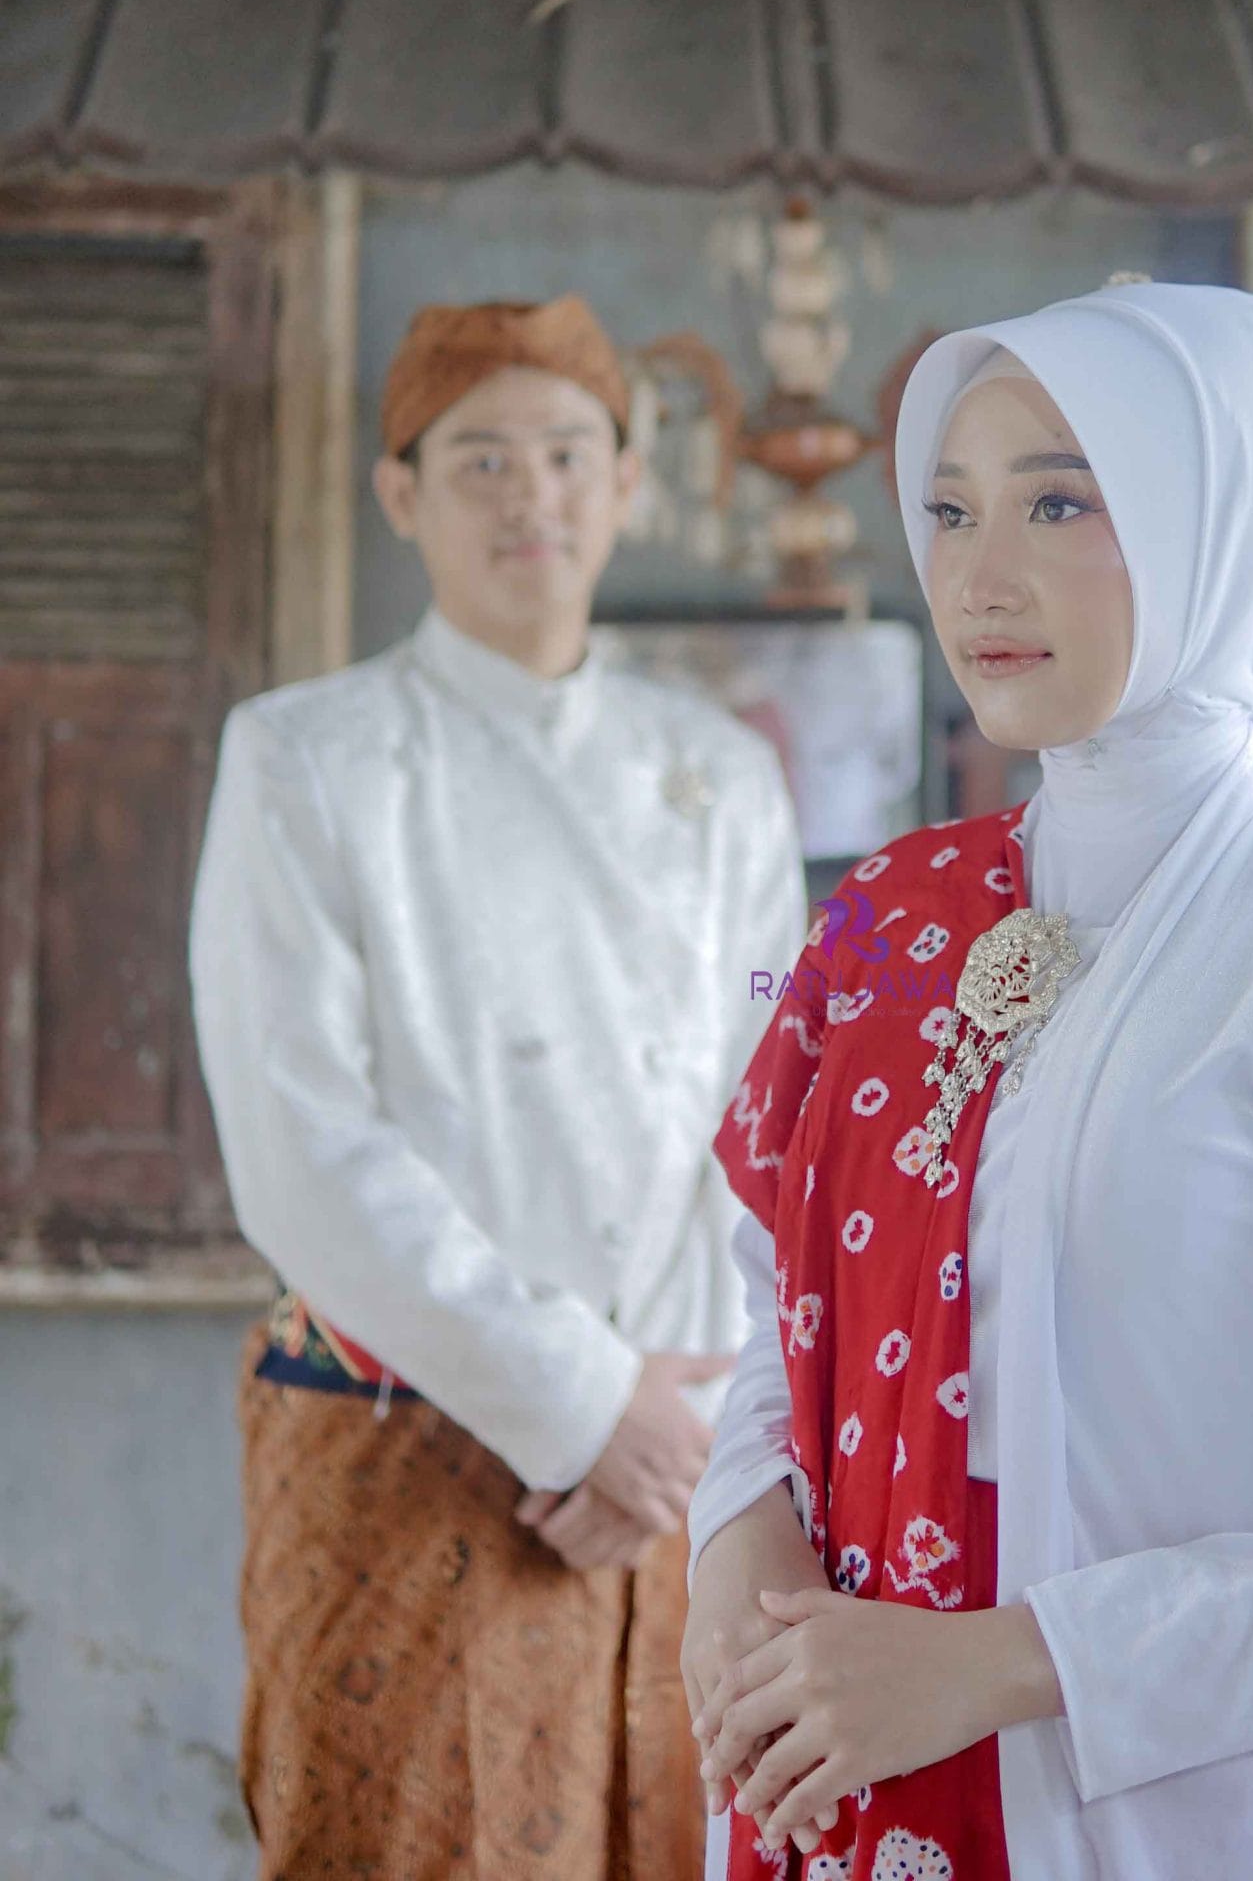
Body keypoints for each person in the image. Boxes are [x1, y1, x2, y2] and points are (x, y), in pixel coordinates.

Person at [682, 279, 1253, 1881]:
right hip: (851, 1803)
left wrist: (1001, 1665)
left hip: (1201, 1834)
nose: (981, 576)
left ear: (1216, 531)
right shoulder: (885, 918)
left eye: (1061, 502)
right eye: (949, 510)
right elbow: (781, 1309)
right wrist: (733, 1544)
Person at [190, 290, 806, 1881]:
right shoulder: (305, 759)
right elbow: (302, 1144)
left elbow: (768, 1113)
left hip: (670, 1463)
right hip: (406, 1441)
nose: (531, 494)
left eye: (566, 454)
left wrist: (666, 1420)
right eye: (481, 460)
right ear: (400, 496)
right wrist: (577, 1403)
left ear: (627, 484)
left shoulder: (723, 774)